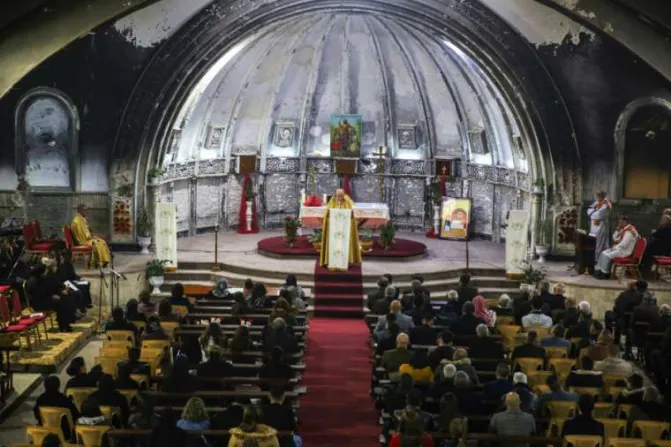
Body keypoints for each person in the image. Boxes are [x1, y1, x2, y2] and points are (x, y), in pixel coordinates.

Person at [26, 262, 77, 332]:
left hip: (46, 299)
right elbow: (40, 295)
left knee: (67, 298)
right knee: (62, 302)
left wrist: (59, 292)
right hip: (39, 303)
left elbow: (52, 287)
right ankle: (64, 325)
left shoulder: (42, 278)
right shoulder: (33, 281)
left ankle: (65, 323)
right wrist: (54, 295)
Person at [319, 188, 362, 267]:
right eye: (338, 196)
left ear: (344, 195)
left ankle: (345, 261)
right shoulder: (331, 202)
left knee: (343, 245)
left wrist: (351, 214)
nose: (340, 198)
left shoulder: (347, 202)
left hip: (344, 229)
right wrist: (329, 213)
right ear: (335, 195)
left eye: (342, 196)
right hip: (333, 229)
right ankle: (330, 261)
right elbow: (326, 215)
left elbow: (351, 216)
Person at [587, 190, 612, 263]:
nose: (597, 197)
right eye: (597, 195)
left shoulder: (606, 204)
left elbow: (599, 215)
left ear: (602, 196)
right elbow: (588, 211)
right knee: (593, 241)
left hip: (601, 225)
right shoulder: (596, 202)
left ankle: (598, 260)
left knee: (600, 242)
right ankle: (594, 259)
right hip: (594, 225)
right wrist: (593, 212)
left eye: (598, 195)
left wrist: (593, 213)